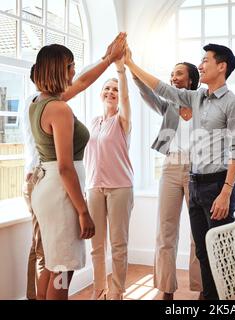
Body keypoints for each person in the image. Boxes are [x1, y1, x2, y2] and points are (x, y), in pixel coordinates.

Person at [125, 44, 235, 300]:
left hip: (216, 182)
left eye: (205, 61)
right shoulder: (196, 98)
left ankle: (216, 296)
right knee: (202, 248)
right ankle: (188, 293)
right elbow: (160, 89)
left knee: (217, 249)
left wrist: (226, 191)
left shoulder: (233, 104)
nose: (201, 65)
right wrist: (130, 64)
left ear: (221, 66)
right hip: (193, 178)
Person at [22, 34, 127, 300]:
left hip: (47, 187)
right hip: (60, 192)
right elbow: (66, 168)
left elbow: (82, 82)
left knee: (54, 264)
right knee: (63, 270)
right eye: (70, 65)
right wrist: (83, 212)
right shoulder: (59, 109)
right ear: (59, 69)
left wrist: (108, 59)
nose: (74, 70)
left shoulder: (39, 102)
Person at [132, 62, 203, 300]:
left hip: (197, 169)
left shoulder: (201, 101)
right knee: (165, 231)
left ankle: (202, 287)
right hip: (171, 167)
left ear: (191, 79)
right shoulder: (169, 105)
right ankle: (166, 289)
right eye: (171, 74)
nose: (174, 77)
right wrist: (132, 71)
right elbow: (148, 93)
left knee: (198, 232)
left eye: (179, 73)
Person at [84, 55, 134, 300]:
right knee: (96, 245)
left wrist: (121, 72)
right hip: (94, 187)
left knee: (118, 244)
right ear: (100, 93)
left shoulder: (122, 121)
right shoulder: (94, 122)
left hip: (120, 187)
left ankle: (116, 292)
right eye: (107, 88)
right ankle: (98, 289)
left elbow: (125, 99)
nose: (111, 92)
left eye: (114, 89)